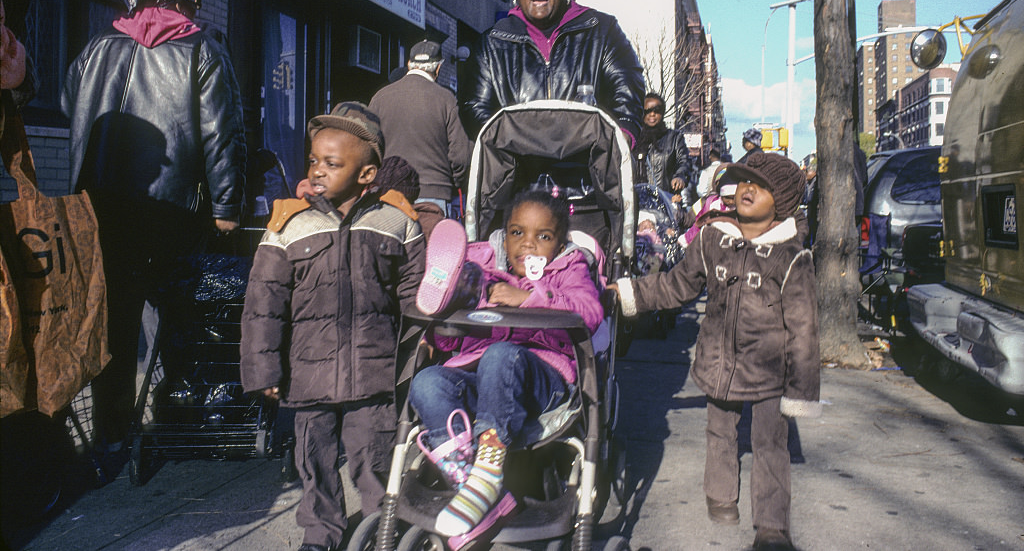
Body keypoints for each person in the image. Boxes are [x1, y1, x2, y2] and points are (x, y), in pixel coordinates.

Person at [60, 0, 246, 465]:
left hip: (101, 207)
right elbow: (221, 134)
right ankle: (175, 416)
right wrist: (228, 206)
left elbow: (67, 102)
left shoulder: (98, 47)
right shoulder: (201, 49)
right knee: (181, 312)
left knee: (114, 320)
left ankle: (112, 434)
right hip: (173, 211)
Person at [610, 153, 819, 551]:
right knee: (720, 431)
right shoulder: (713, 239)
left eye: (759, 186)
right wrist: (630, 291)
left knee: (770, 445)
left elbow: (804, 328)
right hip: (718, 360)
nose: (746, 189)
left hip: (770, 370)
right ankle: (721, 496)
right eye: (742, 181)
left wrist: (802, 390)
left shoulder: (791, 256)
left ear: (783, 201)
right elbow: (677, 285)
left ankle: (772, 527)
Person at [240, 103, 425, 551]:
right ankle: (321, 534)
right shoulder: (289, 224)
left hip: (373, 373)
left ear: (366, 174)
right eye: (314, 161)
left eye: (332, 163)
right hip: (309, 373)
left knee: (374, 459)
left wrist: (417, 360)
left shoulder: (397, 222)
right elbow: (263, 304)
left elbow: (416, 297)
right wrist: (263, 371)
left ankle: (385, 527)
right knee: (314, 461)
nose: (318, 170)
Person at [409, 190, 604, 542]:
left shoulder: (567, 269)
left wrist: (530, 297)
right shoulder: (485, 273)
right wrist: (447, 324)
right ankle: (469, 478)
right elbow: (453, 345)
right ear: (503, 235)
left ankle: (485, 473)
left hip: (543, 379)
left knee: (501, 354)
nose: (527, 244)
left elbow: (588, 312)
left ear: (559, 245)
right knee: (427, 381)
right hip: (483, 374)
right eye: (517, 233)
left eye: (542, 237)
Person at [461, 0, 644, 142]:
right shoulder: (492, 43)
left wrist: (622, 134)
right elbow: (474, 108)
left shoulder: (602, 30)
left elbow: (627, 89)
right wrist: (520, 142)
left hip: (586, 165)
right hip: (517, 167)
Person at [369, 39, 472, 217]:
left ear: (409, 65)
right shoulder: (446, 99)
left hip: (388, 193)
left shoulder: (380, 97)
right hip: (433, 194)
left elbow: (369, 147)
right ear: (438, 68)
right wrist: (454, 182)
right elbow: (461, 156)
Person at [635, 93, 694, 198]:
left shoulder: (674, 138)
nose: (652, 114)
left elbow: (684, 162)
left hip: (666, 201)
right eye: (647, 111)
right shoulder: (635, 138)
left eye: (657, 111)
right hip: (638, 201)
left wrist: (680, 177)